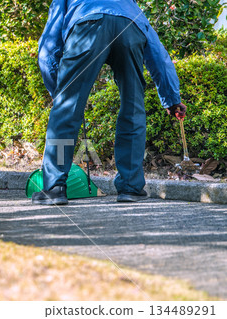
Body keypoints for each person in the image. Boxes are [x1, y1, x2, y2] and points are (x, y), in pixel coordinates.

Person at [32, 0, 187, 205]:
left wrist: (61, 94)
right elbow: (158, 55)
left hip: (88, 24)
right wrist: (172, 99)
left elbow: (48, 47)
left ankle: (54, 189)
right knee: (133, 108)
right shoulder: (129, 4)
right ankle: (131, 187)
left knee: (66, 111)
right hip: (130, 26)